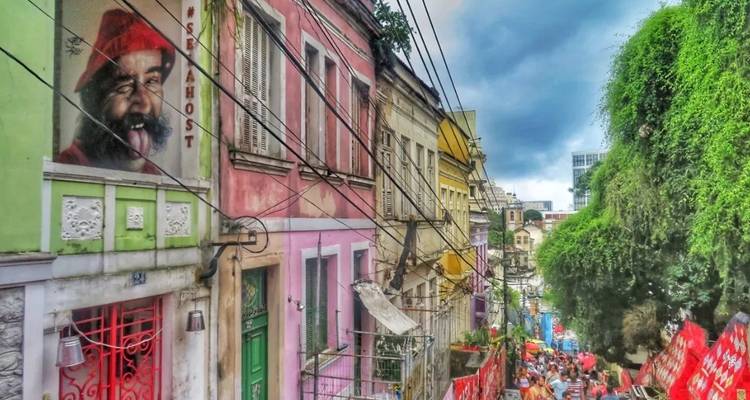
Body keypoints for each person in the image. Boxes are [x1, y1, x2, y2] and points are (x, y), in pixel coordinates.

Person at [57, 9, 176, 174]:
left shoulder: (152, 174)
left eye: (151, 81)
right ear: (94, 97)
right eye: (124, 85)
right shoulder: (69, 169)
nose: (144, 103)